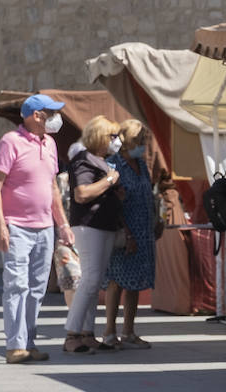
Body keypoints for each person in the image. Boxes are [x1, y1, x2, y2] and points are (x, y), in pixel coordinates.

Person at [0, 93, 75, 364]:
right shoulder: (10, 142)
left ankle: (28, 342)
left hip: (45, 228)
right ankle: (15, 346)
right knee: (17, 285)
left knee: (37, 288)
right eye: (52, 113)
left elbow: (52, 188)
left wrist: (63, 225)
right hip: (17, 227)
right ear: (36, 115)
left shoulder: (49, 143)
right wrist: (0, 226)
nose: (57, 119)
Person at [62, 116, 125, 354]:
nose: (116, 141)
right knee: (89, 280)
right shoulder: (84, 159)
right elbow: (82, 194)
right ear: (100, 136)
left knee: (95, 281)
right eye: (112, 136)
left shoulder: (99, 160)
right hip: (90, 226)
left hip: (103, 225)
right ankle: (72, 334)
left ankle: (87, 333)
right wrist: (110, 180)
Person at [102, 119, 158, 349]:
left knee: (135, 282)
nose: (143, 145)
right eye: (139, 140)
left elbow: (148, 194)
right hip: (124, 231)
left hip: (143, 229)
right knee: (117, 281)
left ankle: (129, 331)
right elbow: (113, 201)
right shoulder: (113, 165)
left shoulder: (142, 165)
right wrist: (127, 233)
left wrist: (155, 220)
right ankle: (109, 331)